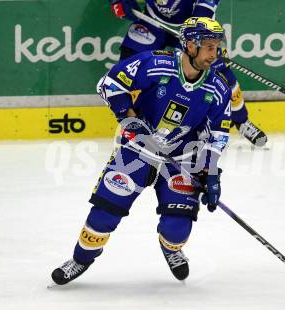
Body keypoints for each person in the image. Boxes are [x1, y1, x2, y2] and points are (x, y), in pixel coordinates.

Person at [51, 17, 231, 285]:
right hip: (136, 151)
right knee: (102, 217)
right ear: (189, 46)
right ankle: (80, 259)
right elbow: (108, 84)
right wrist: (129, 118)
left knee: (176, 231)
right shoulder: (155, 63)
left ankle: (171, 249)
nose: (214, 54)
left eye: (217, 47)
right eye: (207, 46)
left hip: (179, 160)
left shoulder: (217, 88)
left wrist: (212, 172)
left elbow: (218, 134)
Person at [108, 0, 267, 146]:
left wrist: (190, 43)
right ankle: (135, 126)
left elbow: (202, 14)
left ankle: (242, 121)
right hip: (152, 23)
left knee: (222, 75)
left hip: (195, 30)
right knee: (129, 67)